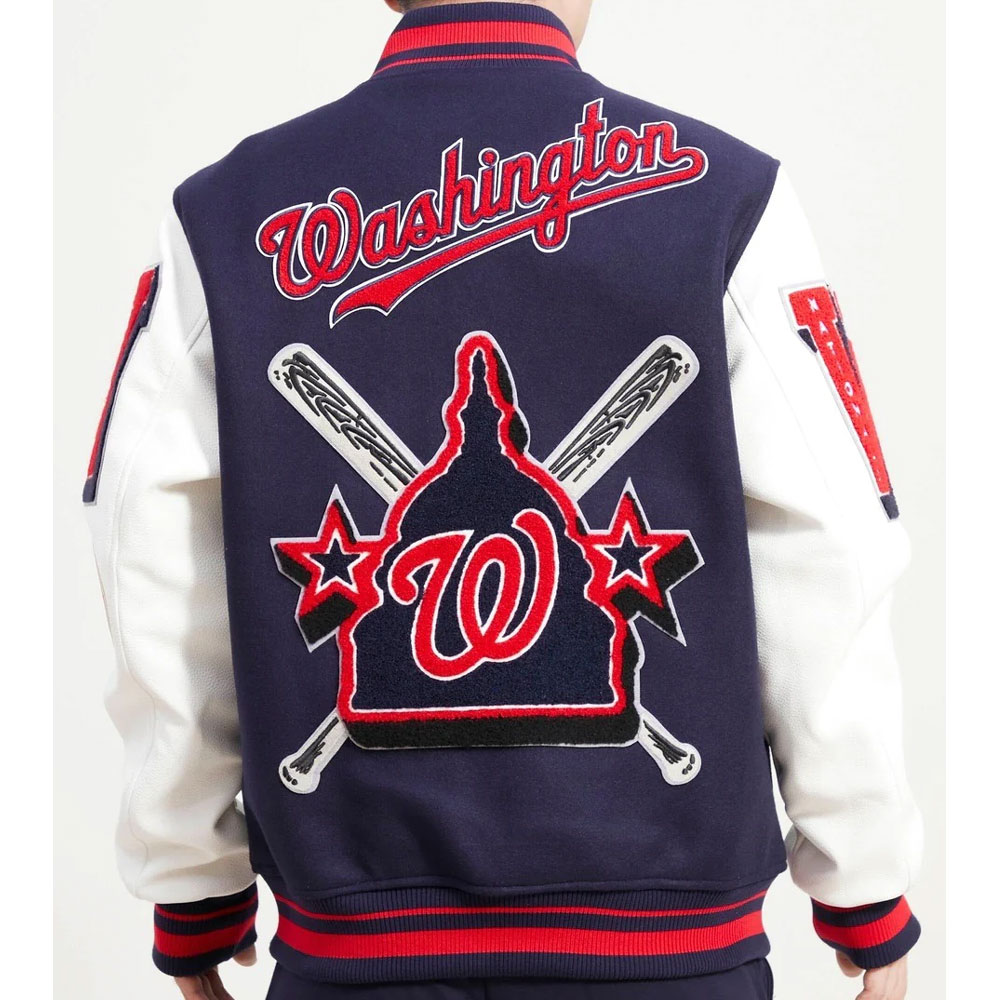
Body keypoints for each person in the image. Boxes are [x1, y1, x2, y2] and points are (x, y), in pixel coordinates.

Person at [82, 2, 923, 998]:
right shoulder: (728, 197)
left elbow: (149, 548)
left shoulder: (225, 215)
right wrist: (863, 877)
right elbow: (827, 548)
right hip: (667, 960)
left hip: (356, 959)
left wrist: (189, 873)